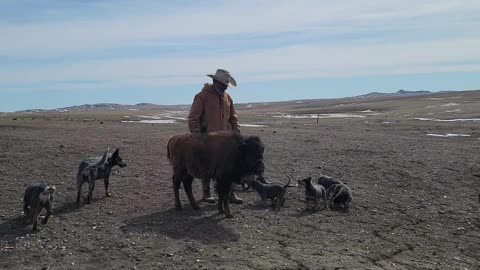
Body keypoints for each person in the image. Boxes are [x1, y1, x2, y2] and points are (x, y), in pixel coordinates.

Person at [188, 69, 243, 204]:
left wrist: (236, 132)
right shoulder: (201, 96)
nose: (224, 87)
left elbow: (233, 118)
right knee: (207, 166)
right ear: (214, 82)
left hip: (226, 140)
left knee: (229, 167)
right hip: (208, 139)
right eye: (223, 85)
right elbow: (193, 118)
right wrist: (198, 136)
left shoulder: (227, 98)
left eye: (226, 85)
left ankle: (231, 193)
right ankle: (206, 193)